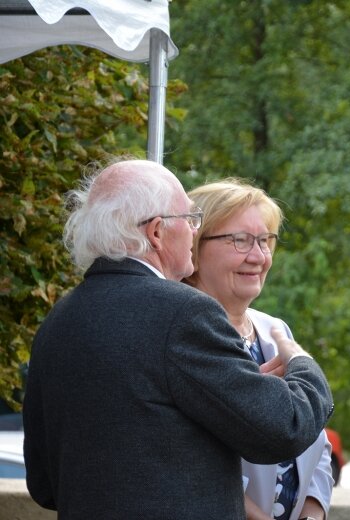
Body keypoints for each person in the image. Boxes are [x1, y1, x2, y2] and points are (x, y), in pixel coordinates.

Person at [22, 159, 333, 520]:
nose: (193, 231)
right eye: (189, 220)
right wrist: (301, 363)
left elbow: (44, 484)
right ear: (156, 232)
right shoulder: (183, 313)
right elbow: (284, 429)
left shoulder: (59, 321)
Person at [185, 178, 332, 520]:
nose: (259, 256)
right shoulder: (182, 340)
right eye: (240, 240)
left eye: (264, 240)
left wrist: (313, 511)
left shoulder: (275, 330)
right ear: (193, 245)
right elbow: (191, 457)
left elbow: (314, 434)